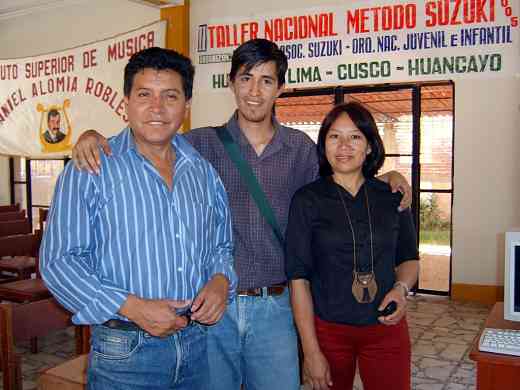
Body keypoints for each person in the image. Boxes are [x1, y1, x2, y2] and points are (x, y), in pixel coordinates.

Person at [71, 39, 412, 390]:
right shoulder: (198, 144)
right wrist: (93, 137)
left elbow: (339, 188)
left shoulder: (300, 149)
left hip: (277, 308)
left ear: (279, 88)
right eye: (246, 78)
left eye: (266, 80)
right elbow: (146, 137)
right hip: (213, 309)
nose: (254, 91)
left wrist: (385, 178)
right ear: (231, 82)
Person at [40, 47, 237, 390]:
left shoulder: (202, 172)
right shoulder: (91, 169)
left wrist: (222, 280)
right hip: (125, 352)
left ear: (186, 105)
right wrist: (131, 307)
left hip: (197, 345)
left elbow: (221, 243)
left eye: (170, 96)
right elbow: (59, 263)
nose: (157, 108)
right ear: (126, 102)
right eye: (145, 94)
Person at [285, 102, 419, 390]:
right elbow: (298, 279)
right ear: (324, 145)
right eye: (334, 136)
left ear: (370, 146)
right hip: (328, 332)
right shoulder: (307, 200)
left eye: (355, 137)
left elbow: (409, 258)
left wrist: (401, 289)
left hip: (386, 328)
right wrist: (310, 352)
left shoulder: (393, 197)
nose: (344, 146)